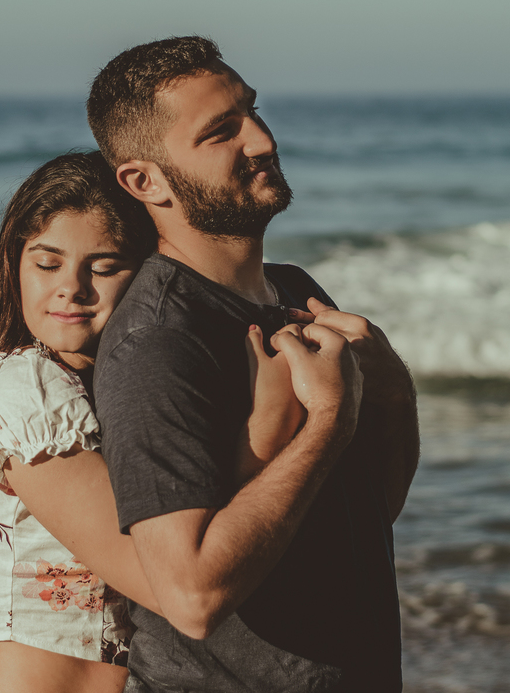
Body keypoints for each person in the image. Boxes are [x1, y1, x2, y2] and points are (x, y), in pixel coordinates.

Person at [0, 152, 363, 693]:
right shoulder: (25, 392)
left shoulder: (111, 381)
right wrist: (269, 427)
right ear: (13, 263)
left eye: (104, 267)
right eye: (46, 262)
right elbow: (173, 586)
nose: (72, 288)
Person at [88, 36, 420, 692]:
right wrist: (328, 416)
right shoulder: (158, 342)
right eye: (221, 132)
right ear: (143, 180)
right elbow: (193, 598)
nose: (262, 140)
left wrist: (388, 387)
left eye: (252, 112)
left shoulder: (294, 290)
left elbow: (372, 509)